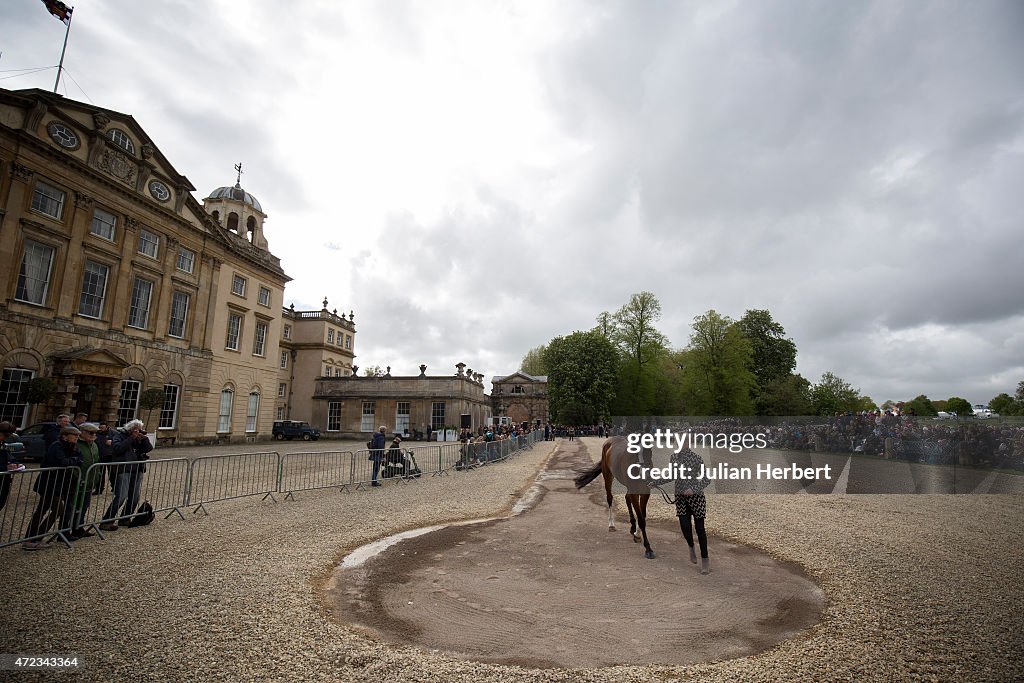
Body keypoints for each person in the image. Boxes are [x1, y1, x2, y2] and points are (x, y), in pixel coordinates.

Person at [23, 425, 82, 550]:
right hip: (49, 483)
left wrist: (73, 460)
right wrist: (73, 460)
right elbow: (62, 462)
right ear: (65, 436)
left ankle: (34, 537)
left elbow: (79, 460)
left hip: (59, 484)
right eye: (74, 435)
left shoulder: (73, 447)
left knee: (44, 510)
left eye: (78, 435)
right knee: (53, 510)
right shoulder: (57, 446)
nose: (77, 438)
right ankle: (33, 538)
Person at [100, 419, 152, 531]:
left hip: (137, 469)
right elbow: (117, 449)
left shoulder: (138, 438)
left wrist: (144, 439)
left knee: (134, 497)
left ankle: (125, 518)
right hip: (124, 469)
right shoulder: (119, 436)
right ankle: (106, 520)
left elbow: (148, 448)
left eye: (139, 429)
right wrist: (131, 438)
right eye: (136, 429)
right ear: (130, 429)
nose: (138, 432)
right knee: (121, 496)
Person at [673, 447, 712, 574]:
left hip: (696, 499)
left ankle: (705, 560)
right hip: (680, 499)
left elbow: (706, 479)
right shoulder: (673, 458)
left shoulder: (696, 458)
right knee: (685, 527)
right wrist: (655, 482)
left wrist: (693, 489)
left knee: (700, 529)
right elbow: (671, 476)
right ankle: (691, 546)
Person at [69, 423, 101, 539]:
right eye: (90, 433)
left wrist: (98, 475)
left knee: (84, 506)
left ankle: (79, 527)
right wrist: (76, 477)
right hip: (77, 481)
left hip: (89, 481)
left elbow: (96, 460)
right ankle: (67, 529)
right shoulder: (76, 445)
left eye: (95, 433)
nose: (93, 435)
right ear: (82, 432)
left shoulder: (94, 445)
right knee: (72, 506)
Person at [0, 421, 23, 512]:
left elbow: (9, 457)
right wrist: (6, 467)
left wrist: (16, 463)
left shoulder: (3, 445)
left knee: (1, 502)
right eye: (5, 436)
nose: (6, 438)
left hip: (3, 480)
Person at [92, 421, 114, 495]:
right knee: (100, 473)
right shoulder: (96, 433)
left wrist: (112, 442)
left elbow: (119, 441)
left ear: (107, 427)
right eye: (100, 427)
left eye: (102, 428)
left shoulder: (113, 433)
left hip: (110, 455)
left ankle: (114, 487)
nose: (100, 429)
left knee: (112, 473)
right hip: (100, 455)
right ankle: (99, 489)